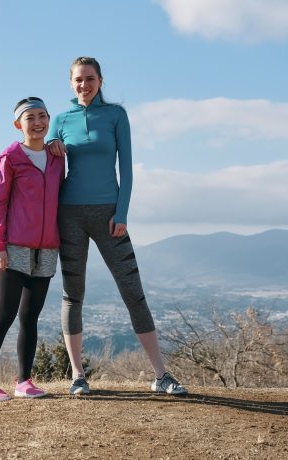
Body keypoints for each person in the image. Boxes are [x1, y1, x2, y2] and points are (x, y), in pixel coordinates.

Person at [46, 57, 187, 396]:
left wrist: (121, 214)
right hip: (70, 215)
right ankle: (78, 376)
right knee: (72, 295)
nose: (84, 84)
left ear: (100, 80)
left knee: (132, 292)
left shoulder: (116, 116)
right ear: (71, 83)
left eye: (90, 78)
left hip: (110, 215)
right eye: (78, 79)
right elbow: (44, 154)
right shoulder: (61, 119)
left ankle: (161, 375)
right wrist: (52, 146)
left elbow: (127, 169)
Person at [0, 97, 65, 402]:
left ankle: (24, 380)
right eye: (30, 118)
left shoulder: (56, 158)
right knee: (5, 314)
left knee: (30, 317)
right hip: (13, 247)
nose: (37, 122)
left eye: (42, 116)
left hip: (47, 247)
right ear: (18, 124)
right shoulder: (9, 157)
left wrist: (56, 146)